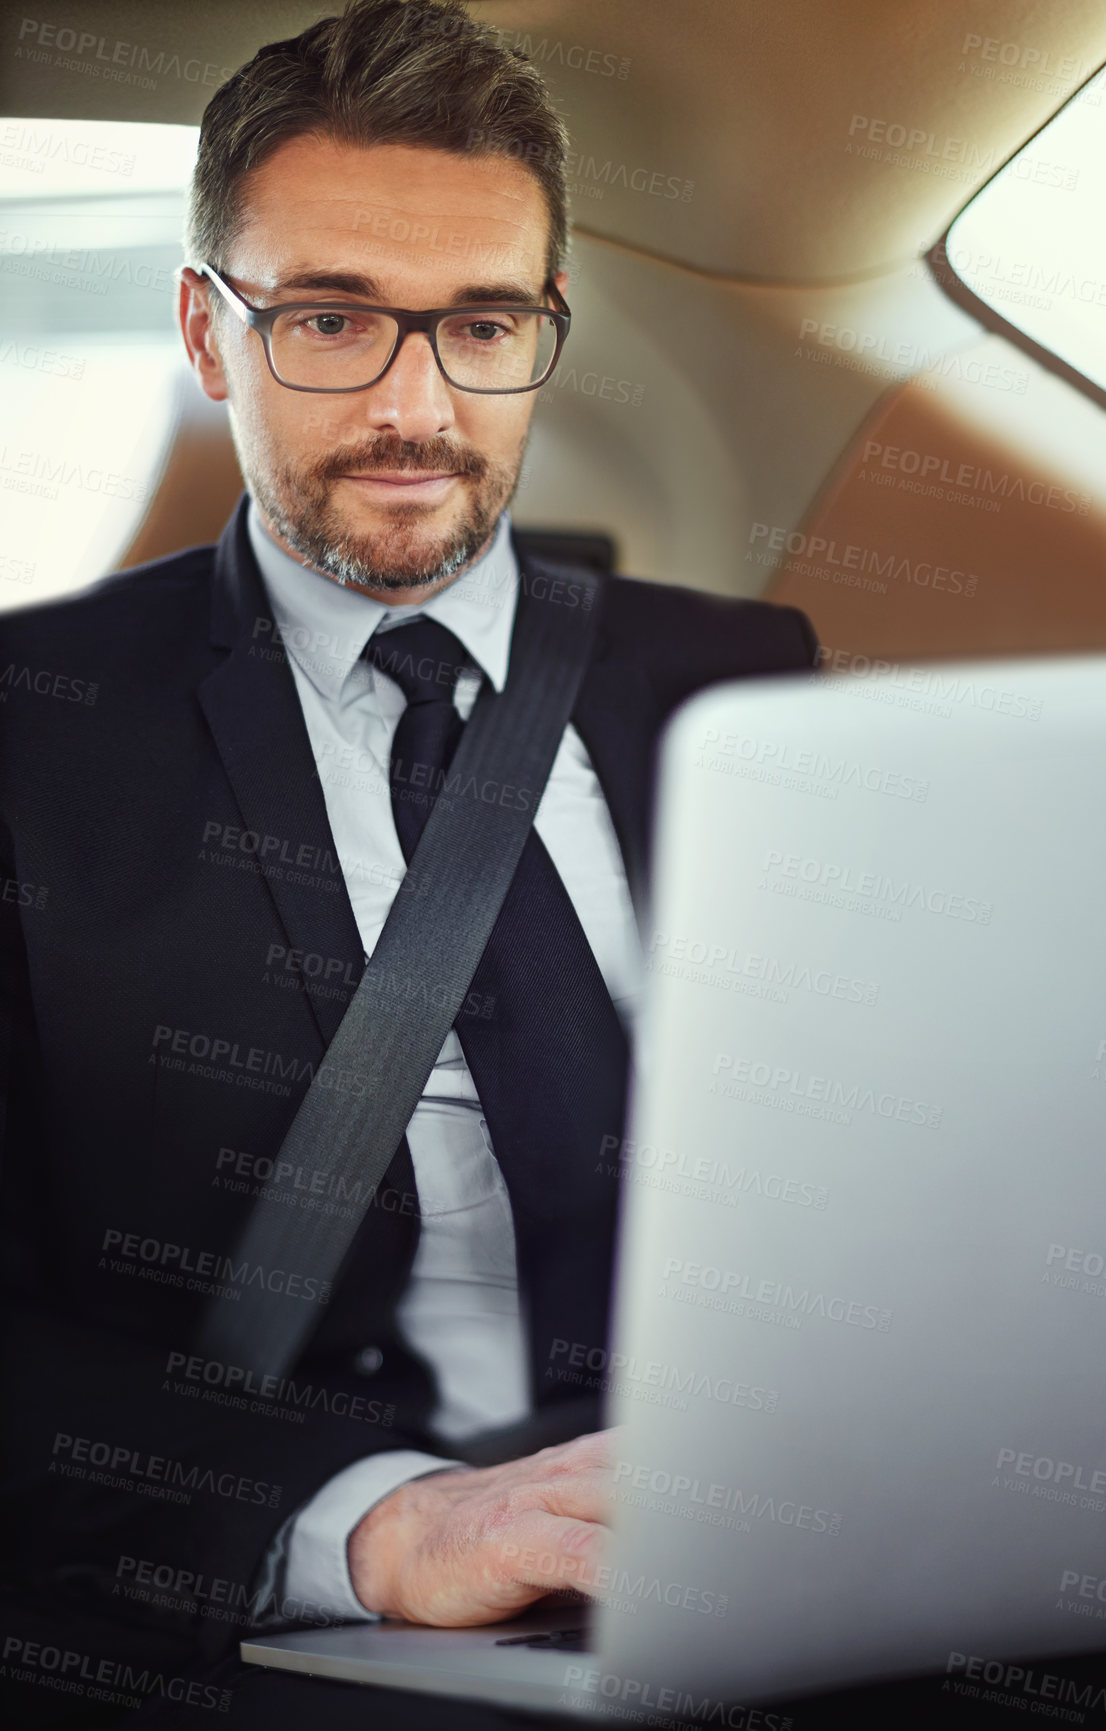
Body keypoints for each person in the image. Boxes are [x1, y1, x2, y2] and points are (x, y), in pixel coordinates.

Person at [0, 2, 817, 1724]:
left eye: (480, 326)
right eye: (328, 320)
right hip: (273, 1634)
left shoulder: (748, 684)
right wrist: (366, 1530)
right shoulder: (34, 734)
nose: (410, 406)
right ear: (206, 335)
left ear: (547, 336)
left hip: (773, 1567)